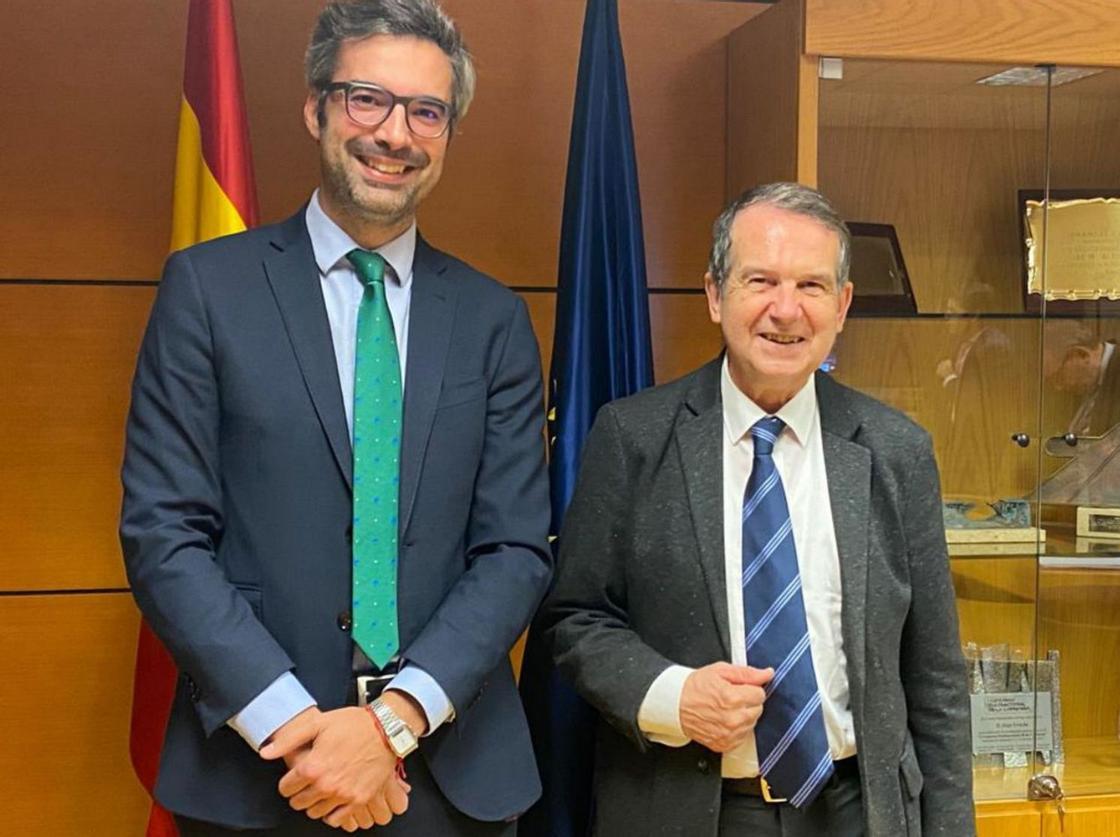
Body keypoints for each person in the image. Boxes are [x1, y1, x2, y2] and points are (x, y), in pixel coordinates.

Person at [120, 1, 551, 833]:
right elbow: (163, 533)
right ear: (315, 107)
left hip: (451, 771)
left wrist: (390, 725)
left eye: (427, 111)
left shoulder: (494, 319)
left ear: (447, 135)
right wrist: (298, 728)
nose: (395, 133)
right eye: (367, 99)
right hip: (263, 770)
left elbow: (514, 550)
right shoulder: (207, 292)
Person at [540, 183, 975, 836]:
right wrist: (673, 696)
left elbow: (936, 679)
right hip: (690, 809)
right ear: (716, 294)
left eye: (811, 285)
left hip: (860, 810)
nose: (786, 309)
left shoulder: (895, 450)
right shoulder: (633, 436)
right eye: (761, 280)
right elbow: (574, 618)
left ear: (843, 304)